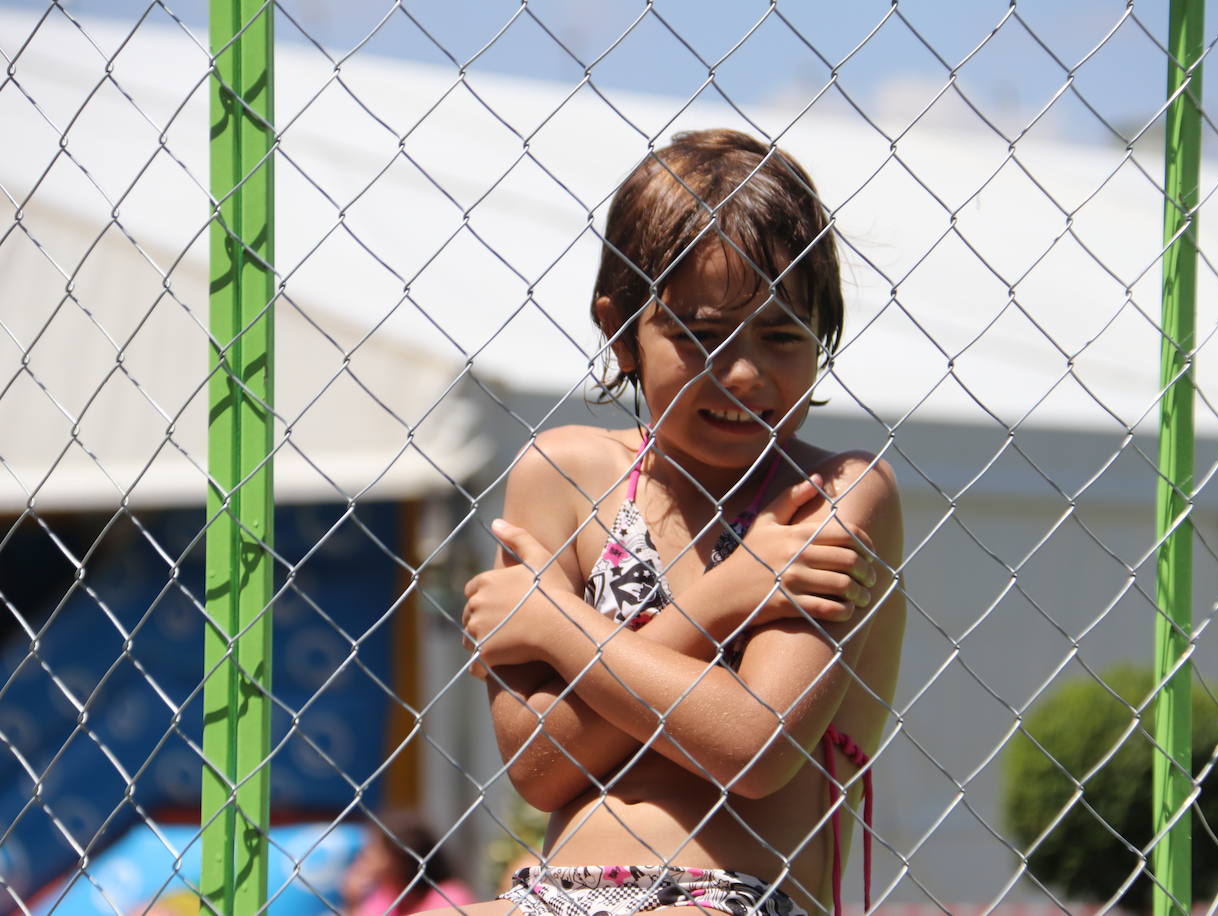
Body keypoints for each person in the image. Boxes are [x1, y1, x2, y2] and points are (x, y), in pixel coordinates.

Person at [440, 129, 905, 916]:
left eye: (783, 334)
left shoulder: (834, 492)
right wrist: (732, 598)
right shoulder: (564, 477)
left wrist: (558, 626)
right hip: (555, 896)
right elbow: (540, 766)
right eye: (700, 335)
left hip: (735, 897)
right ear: (621, 330)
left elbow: (753, 747)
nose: (747, 372)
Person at [340, 808, 476, 916]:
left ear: (399, 858)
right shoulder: (385, 897)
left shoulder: (449, 896)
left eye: (374, 849)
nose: (365, 857)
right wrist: (353, 903)